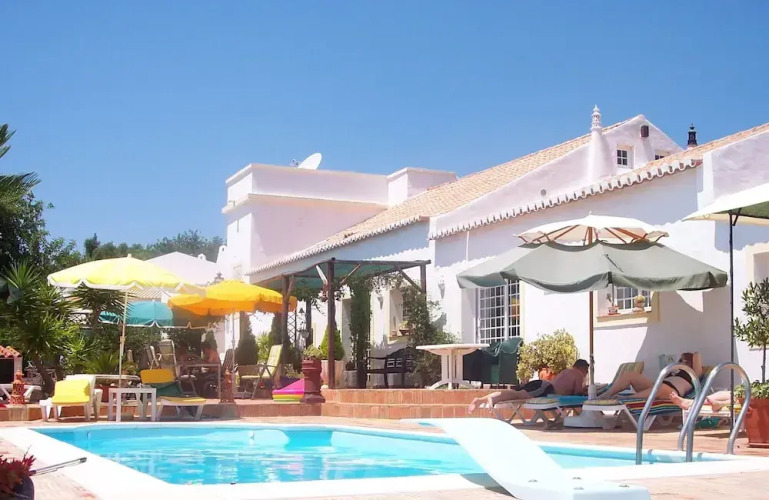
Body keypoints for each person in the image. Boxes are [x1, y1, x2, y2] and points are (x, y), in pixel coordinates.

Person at [468, 359, 589, 414]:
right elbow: (577, 394)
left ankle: (480, 400)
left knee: (516, 393)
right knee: (518, 395)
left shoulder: (567, 371)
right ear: (583, 368)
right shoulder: (578, 374)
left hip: (542, 385)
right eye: (586, 371)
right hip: (546, 388)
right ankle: (493, 399)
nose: (586, 374)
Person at [599, 352, 703, 400]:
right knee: (629, 374)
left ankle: (628, 398)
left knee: (661, 388)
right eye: (680, 360)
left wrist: (687, 358)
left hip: (672, 392)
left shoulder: (694, 374)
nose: (681, 362)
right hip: (657, 387)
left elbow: (697, 355)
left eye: (685, 361)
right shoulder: (673, 370)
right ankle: (606, 395)